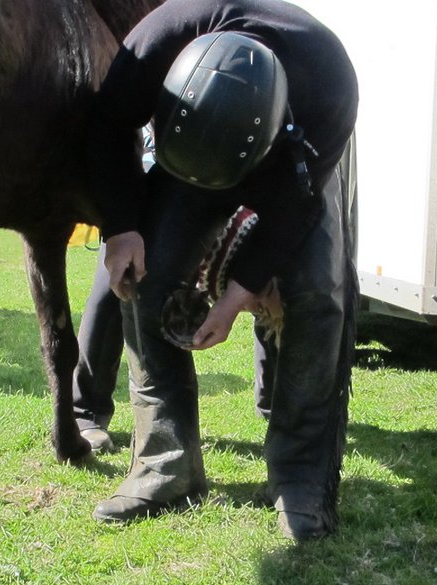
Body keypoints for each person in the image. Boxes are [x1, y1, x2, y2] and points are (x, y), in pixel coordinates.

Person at [84, 0, 359, 540]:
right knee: (147, 274)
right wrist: (121, 227)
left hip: (293, 166)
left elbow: (294, 212)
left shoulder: (329, 83)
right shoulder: (158, 41)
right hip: (184, 158)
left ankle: (300, 477)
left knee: (316, 295)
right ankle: (167, 464)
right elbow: (106, 126)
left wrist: (236, 297)